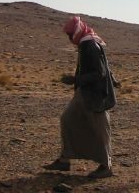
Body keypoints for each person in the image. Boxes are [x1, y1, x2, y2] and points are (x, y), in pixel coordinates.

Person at [44, 16, 118, 179]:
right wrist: (112, 78)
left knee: (100, 130)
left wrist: (75, 79)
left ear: (77, 31)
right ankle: (65, 160)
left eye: (71, 35)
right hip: (85, 93)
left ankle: (106, 166)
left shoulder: (89, 45)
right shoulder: (87, 41)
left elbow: (99, 73)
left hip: (96, 95)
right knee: (68, 119)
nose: (70, 38)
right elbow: (104, 66)